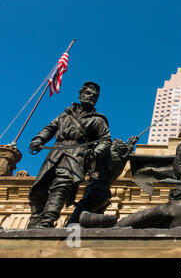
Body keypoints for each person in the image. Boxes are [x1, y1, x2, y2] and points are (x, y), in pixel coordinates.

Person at [27, 82, 112, 228]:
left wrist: (94, 153)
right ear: (80, 94)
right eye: (88, 93)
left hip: (77, 156)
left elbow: (106, 140)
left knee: (62, 185)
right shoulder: (65, 115)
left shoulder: (98, 120)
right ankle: (36, 221)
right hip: (56, 153)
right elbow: (50, 128)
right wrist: (39, 139)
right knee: (39, 188)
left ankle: (47, 220)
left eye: (94, 96)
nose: (91, 97)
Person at [66, 138, 135, 226]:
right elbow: (125, 157)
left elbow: (97, 152)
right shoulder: (120, 163)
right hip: (104, 194)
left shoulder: (109, 156)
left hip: (95, 188)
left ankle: (70, 225)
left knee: (81, 210)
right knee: (93, 221)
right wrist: (130, 146)